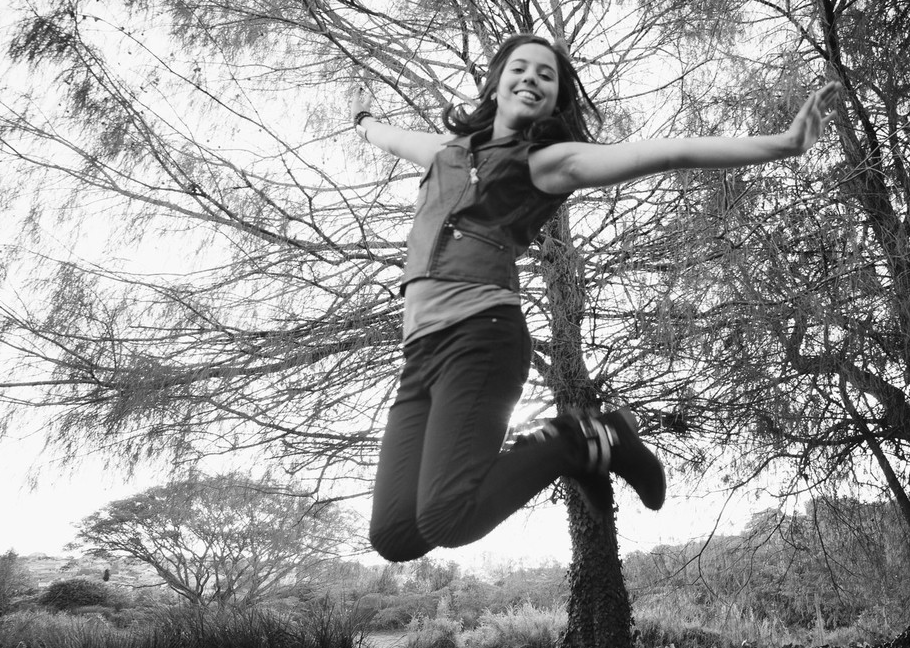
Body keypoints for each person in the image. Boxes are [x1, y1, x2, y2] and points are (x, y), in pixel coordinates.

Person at [355, 33, 840, 562]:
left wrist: (783, 144)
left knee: (447, 516)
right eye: (520, 68)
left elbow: (670, 153)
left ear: (555, 98)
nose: (531, 79)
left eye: (547, 75)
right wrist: (363, 122)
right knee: (395, 535)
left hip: (480, 336)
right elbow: (392, 137)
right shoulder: (445, 153)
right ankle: (586, 444)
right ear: (494, 84)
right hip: (419, 353)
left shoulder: (546, 162)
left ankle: (583, 440)